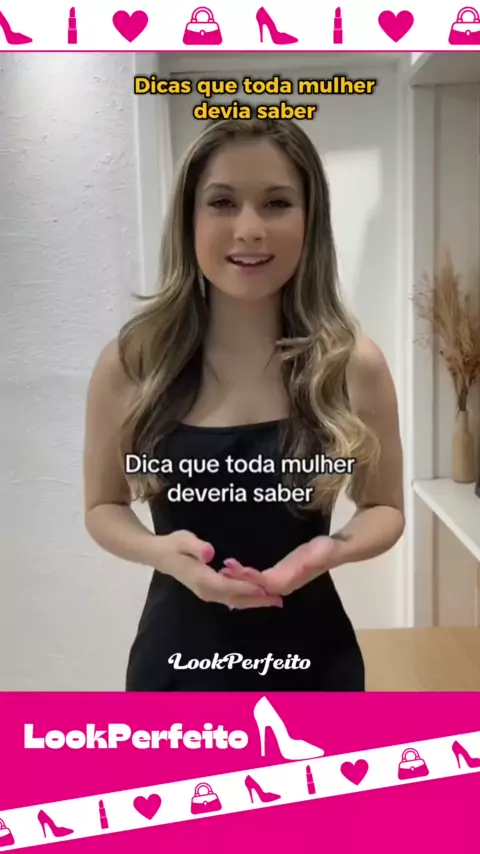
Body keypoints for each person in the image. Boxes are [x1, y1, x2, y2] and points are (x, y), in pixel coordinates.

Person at [83, 118, 404, 692]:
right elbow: (102, 506)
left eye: (277, 203)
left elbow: (385, 507)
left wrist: (325, 553)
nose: (250, 229)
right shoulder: (133, 365)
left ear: (310, 220)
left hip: (316, 668)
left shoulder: (353, 365)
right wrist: (161, 552)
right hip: (175, 668)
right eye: (223, 202)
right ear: (189, 220)